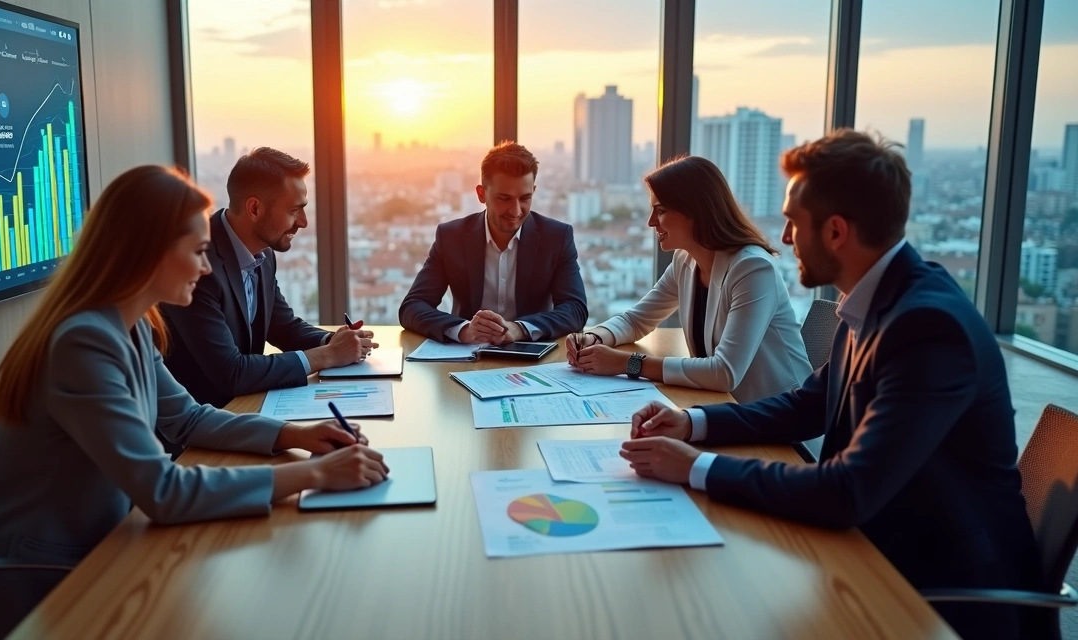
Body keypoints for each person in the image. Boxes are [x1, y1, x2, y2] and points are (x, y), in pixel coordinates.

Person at [618, 130, 1040, 639]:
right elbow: (804, 406)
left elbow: (849, 490)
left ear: (836, 231)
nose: (787, 238)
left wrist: (698, 467)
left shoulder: (929, 327)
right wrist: (693, 423)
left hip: (933, 590)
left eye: (795, 222)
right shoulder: (877, 300)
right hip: (874, 548)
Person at [0, 166, 389, 639]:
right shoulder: (83, 344)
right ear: (150, 254)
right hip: (50, 589)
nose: (207, 268)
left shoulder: (129, 326)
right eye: (197, 252)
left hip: (108, 550)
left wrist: (296, 435)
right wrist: (311, 475)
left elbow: (186, 419)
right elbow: (163, 492)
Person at [566, 156, 812, 403]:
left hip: (783, 425)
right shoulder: (685, 261)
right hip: (728, 411)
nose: (651, 222)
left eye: (661, 211)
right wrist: (595, 338)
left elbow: (724, 373)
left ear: (696, 212)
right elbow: (636, 320)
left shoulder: (753, 269)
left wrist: (628, 363)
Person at [161, 148, 377, 410]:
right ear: (254, 208)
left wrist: (332, 341)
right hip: (199, 426)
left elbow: (282, 326)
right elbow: (231, 373)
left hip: (243, 409)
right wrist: (328, 355)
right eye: (294, 210)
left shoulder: (262, 254)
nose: (304, 222)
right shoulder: (198, 266)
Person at [399, 141, 588, 344]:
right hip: (467, 357)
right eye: (504, 198)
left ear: (534, 190)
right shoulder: (451, 236)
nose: (516, 211)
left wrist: (519, 329)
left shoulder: (556, 237)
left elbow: (575, 310)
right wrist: (464, 330)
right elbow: (412, 307)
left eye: (525, 198)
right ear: (481, 194)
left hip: (533, 357)